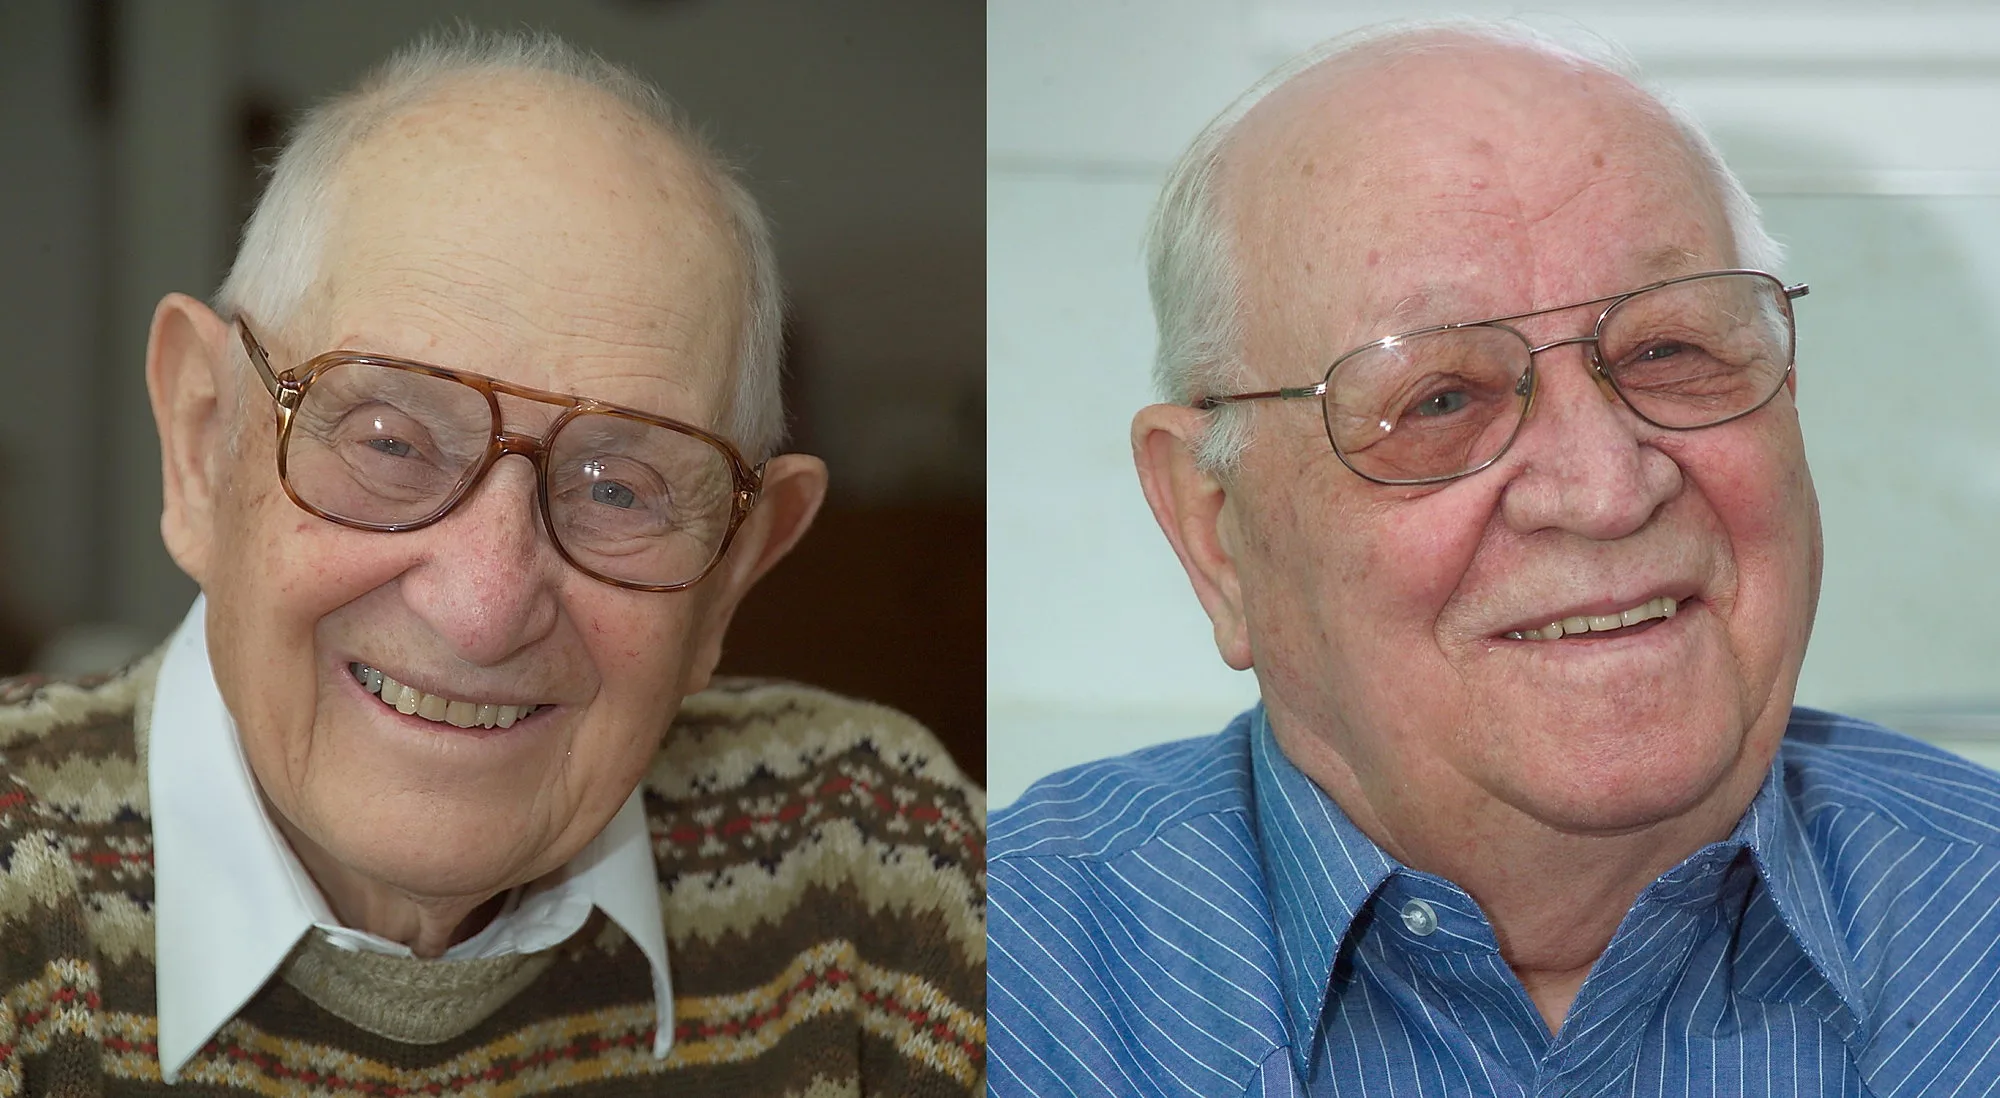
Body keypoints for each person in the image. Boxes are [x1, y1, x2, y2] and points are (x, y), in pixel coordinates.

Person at [989, 20, 2000, 1097]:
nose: (1605, 490)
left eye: (1669, 351)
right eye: (1437, 400)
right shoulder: (998, 973)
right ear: (1214, 527)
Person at [0, 30, 984, 1096]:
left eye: (617, 488)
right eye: (388, 442)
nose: (484, 604)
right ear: (201, 438)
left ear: (734, 572)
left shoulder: (878, 868)